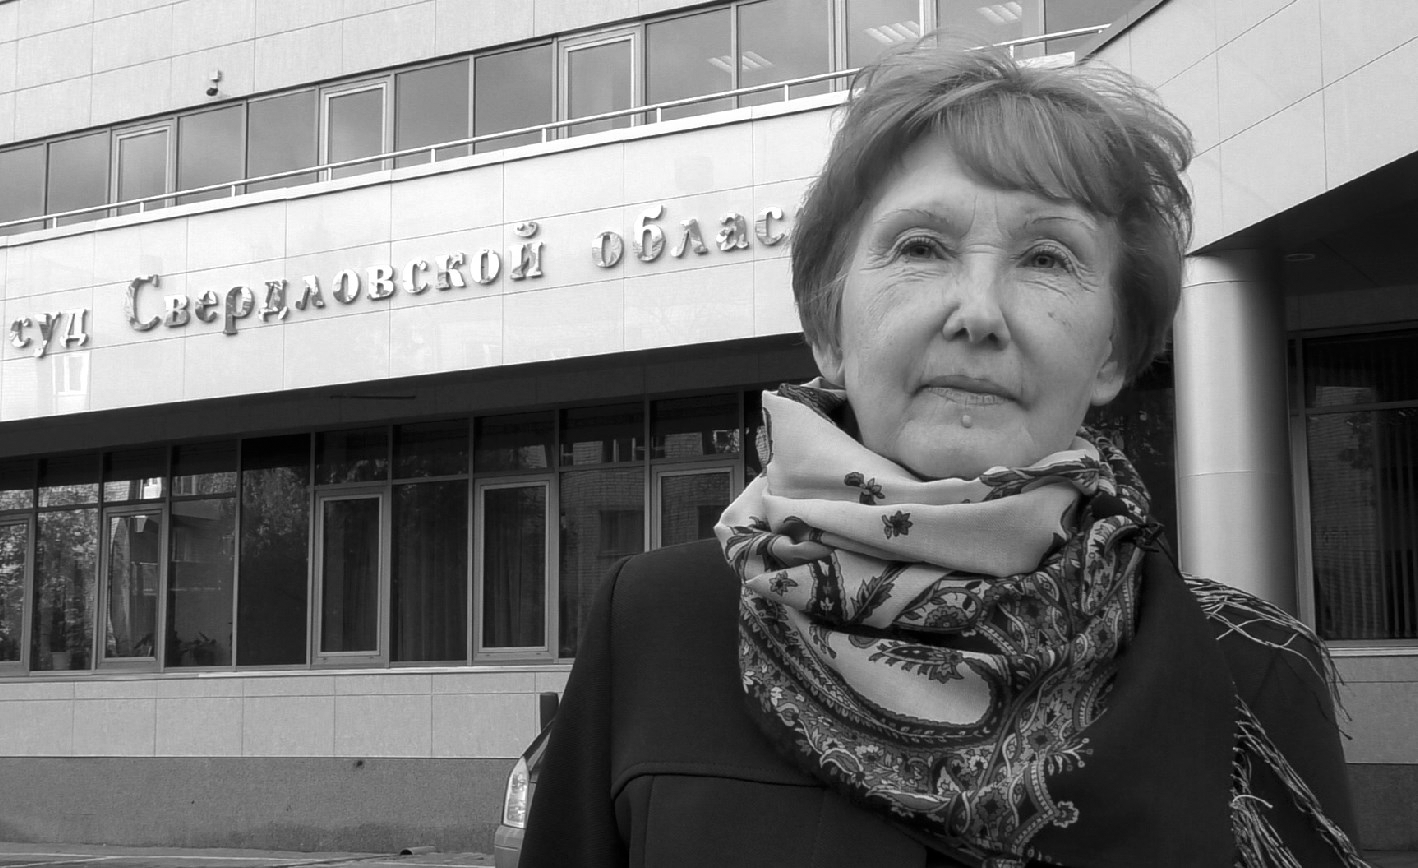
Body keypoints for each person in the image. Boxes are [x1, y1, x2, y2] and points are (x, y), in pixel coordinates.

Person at [521, 36, 1366, 868]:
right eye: (922, 247)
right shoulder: (655, 625)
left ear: (1111, 352)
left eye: (1047, 257)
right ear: (828, 327)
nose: (980, 313)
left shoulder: (1251, 673)